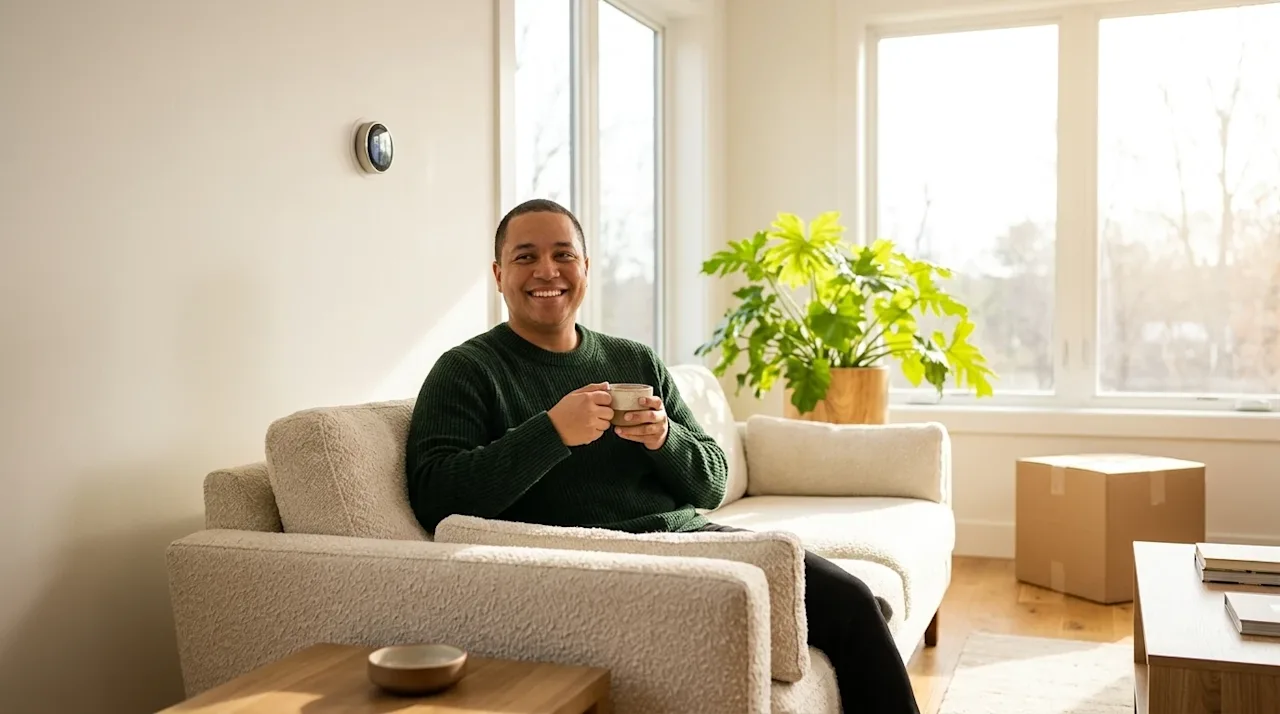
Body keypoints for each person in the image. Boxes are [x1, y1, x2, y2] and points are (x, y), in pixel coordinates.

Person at [404, 198, 921, 714]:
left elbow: (712, 483)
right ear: (498, 274)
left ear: (585, 269)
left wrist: (663, 438)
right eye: (525, 257)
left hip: (688, 538)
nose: (547, 271)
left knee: (852, 603)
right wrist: (552, 432)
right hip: (597, 563)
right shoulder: (466, 370)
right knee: (854, 608)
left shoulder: (633, 359)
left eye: (564, 255)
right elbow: (434, 495)